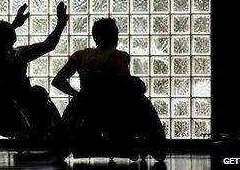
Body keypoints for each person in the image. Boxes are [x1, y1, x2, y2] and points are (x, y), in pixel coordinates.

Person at [52, 18, 166, 161]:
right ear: (114, 36)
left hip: (86, 103)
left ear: (95, 37)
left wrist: (77, 94)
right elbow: (123, 81)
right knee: (140, 98)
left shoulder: (80, 55)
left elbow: (58, 81)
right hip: (113, 105)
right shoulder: (119, 56)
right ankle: (155, 144)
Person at [0, 2, 69, 152]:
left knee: (39, 92)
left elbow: (48, 45)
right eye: (8, 30)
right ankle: (27, 134)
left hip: (21, 95)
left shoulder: (20, 53)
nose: (13, 31)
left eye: (11, 29)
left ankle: (48, 136)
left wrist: (60, 24)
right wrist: (14, 24)